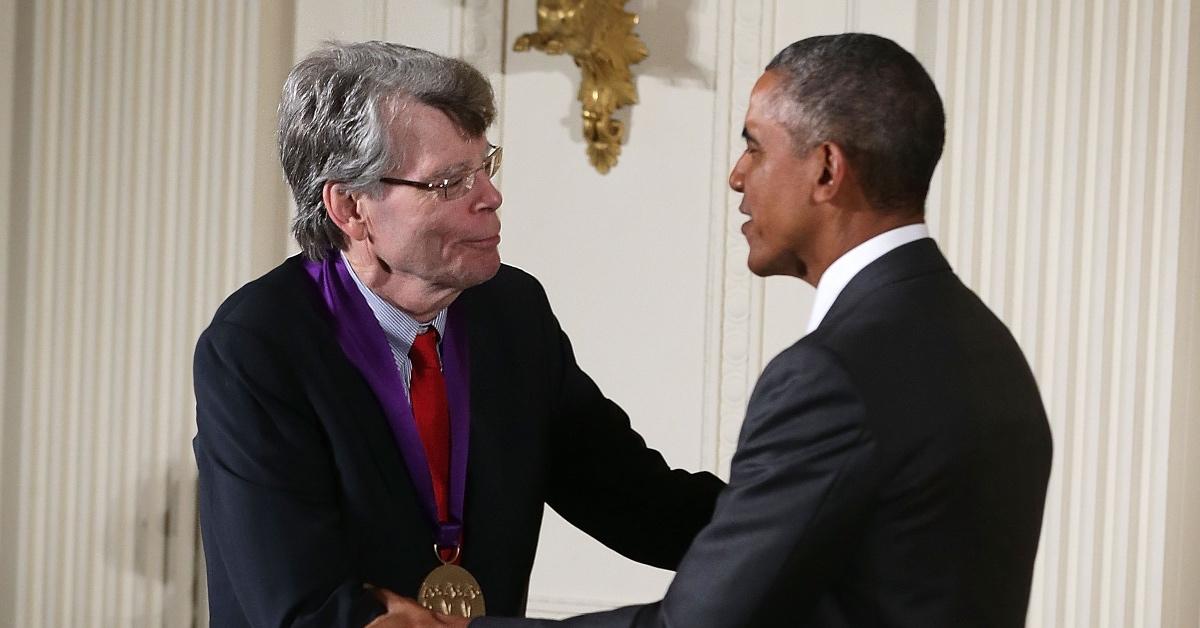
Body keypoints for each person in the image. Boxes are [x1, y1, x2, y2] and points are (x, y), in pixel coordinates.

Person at [386, 32, 1053, 628]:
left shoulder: (833, 377)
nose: (737, 177)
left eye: (754, 148)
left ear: (826, 169)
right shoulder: (983, 345)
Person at [191, 41, 724, 628]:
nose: (490, 197)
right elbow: (306, 611)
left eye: (484, 166)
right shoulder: (258, 347)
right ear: (350, 208)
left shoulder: (512, 313)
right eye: (448, 183)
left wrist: (801, 526)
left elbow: (635, 500)